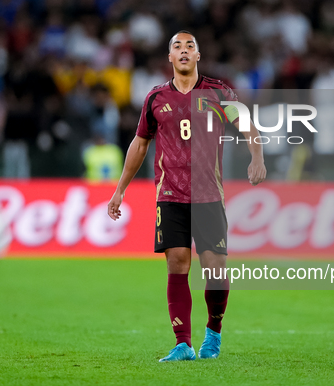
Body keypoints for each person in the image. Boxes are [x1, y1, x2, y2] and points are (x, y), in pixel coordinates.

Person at [107, 31, 266, 362]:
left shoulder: (219, 92)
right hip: (170, 194)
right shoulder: (154, 99)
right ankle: (183, 343)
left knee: (215, 271)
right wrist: (119, 189)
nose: (183, 51)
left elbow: (247, 123)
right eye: (176, 47)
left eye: (189, 46)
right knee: (177, 264)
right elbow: (140, 144)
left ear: (198, 56)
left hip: (209, 195)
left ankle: (214, 333)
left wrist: (257, 156)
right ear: (169, 58)